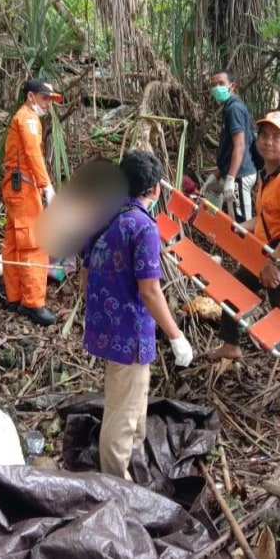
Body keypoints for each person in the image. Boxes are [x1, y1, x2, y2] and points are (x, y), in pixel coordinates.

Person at [80, 150, 194, 481]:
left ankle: (137, 459)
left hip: (104, 325)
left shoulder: (104, 215)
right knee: (122, 411)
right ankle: (117, 481)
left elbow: (85, 274)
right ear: (155, 189)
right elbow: (150, 290)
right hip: (130, 331)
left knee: (132, 396)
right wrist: (176, 335)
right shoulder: (144, 227)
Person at [210, 111, 280, 432]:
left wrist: (274, 263)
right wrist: (231, 229)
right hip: (265, 256)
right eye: (264, 136)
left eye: (277, 136)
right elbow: (262, 222)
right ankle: (231, 344)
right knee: (232, 287)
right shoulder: (266, 175)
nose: (269, 141)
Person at [1, 78, 62, 326]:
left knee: (15, 241)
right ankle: (33, 303)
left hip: (17, 186)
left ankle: (15, 296)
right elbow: (32, 153)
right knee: (34, 243)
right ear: (30, 97)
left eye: (50, 99)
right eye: (45, 98)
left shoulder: (24, 117)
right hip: (23, 187)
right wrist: (46, 186)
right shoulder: (27, 119)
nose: (49, 104)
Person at [200, 68, 257, 222]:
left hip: (240, 175)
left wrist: (231, 179)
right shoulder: (230, 107)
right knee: (212, 191)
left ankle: (242, 246)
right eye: (214, 84)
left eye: (221, 83)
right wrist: (216, 175)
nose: (217, 87)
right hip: (233, 172)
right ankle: (214, 230)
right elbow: (231, 147)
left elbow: (239, 146)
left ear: (232, 86)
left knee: (241, 226)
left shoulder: (234, 109)